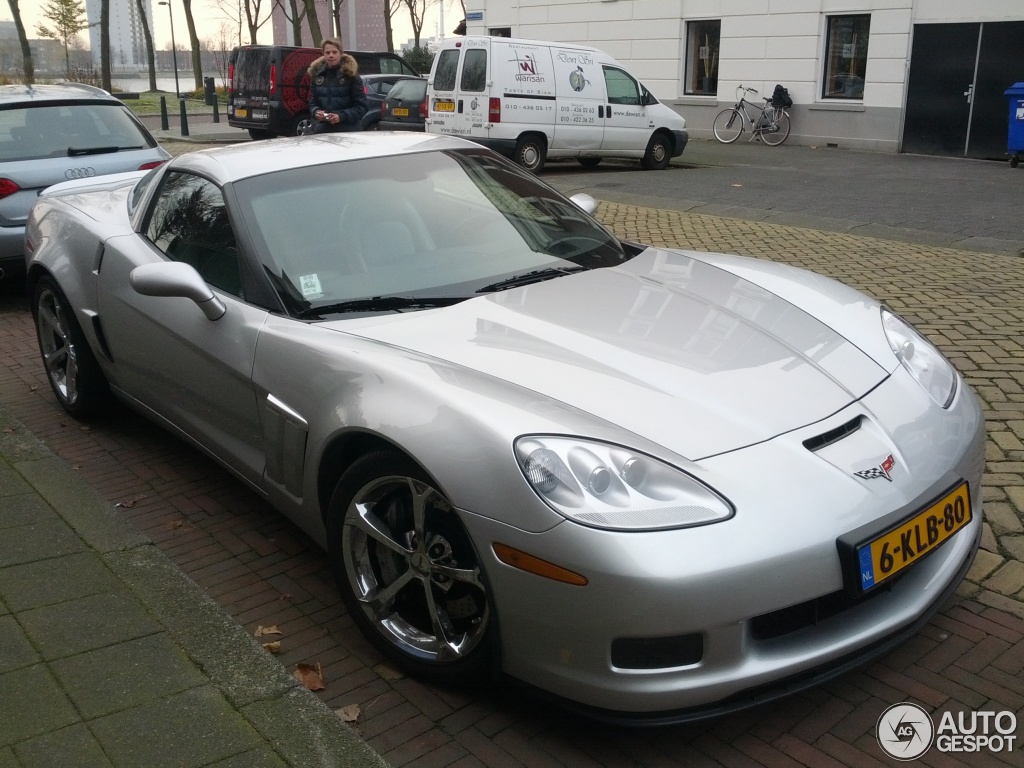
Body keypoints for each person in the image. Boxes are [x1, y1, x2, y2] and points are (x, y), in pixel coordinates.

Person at [307, 38, 368, 133]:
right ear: (323, 53)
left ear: (340, 53)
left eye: (334, 52)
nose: (331, 55)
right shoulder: (317, 76)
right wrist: (316, 112)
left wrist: (341, 116)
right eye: (327, 52)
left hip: (348, 131)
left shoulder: (351, 76)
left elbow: (362, 107)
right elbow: (312, 102)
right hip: (323, 131)